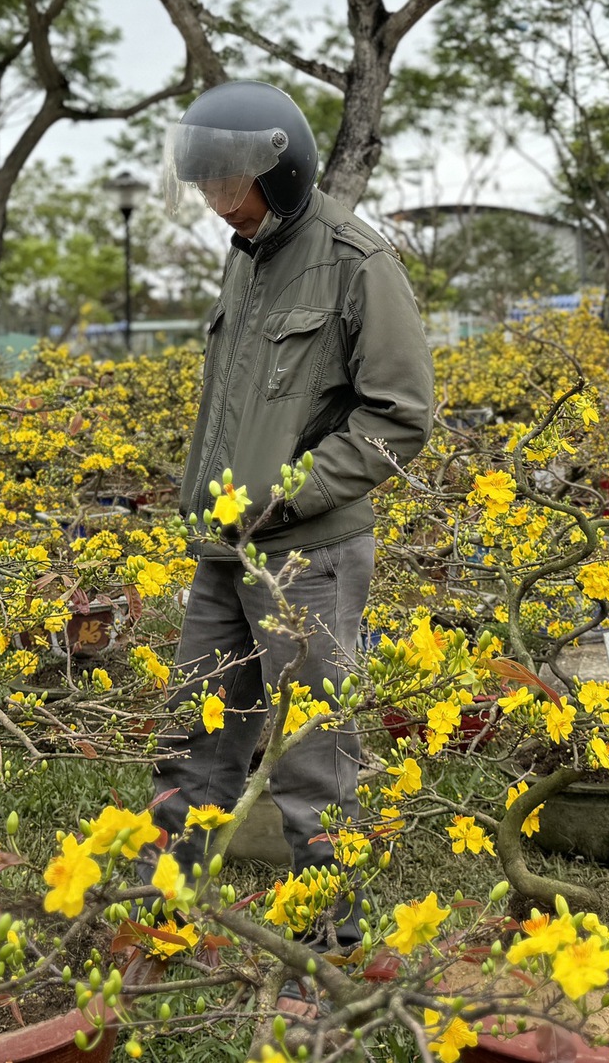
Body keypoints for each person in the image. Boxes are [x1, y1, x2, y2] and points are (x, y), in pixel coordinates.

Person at [150, 81, 435, 974]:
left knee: (312, 747)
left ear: (281, 172)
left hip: (306, 552)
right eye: (202, 183)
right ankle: (162, 916)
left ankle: (332, 943)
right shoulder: (247, 253)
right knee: (196, 730)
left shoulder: (358, 259)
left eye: (225, 183)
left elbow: (400, 416)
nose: (212, 200)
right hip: (223, 546)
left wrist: (291, 494)